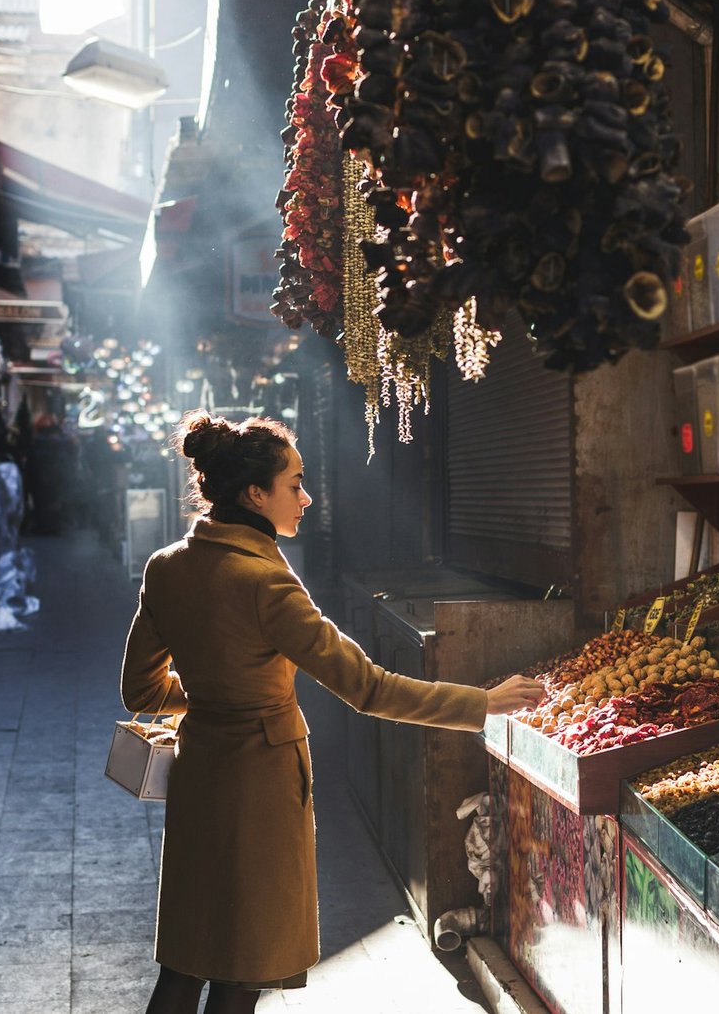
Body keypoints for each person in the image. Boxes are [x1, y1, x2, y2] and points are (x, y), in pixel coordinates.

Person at [122, 411, 544, 1014]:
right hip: (261, 783)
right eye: (294, 484)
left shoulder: (167, 567)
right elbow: (368, 689)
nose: (306, 496)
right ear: (254, 494)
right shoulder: (268, 582)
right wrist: (482, 704)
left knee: (186, 961)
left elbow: (141, 690)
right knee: (242, 967)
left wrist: (216, 696)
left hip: (198, 775)